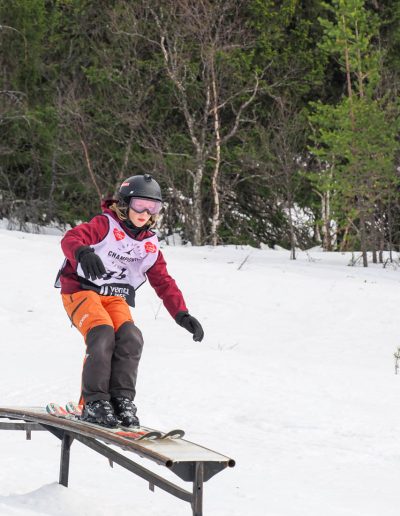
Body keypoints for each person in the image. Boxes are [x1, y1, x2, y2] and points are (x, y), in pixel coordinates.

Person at [56, 174, 204, 428]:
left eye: (153, 207)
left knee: (131, 337)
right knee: (102, 333)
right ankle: (94, 402)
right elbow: (70, 238)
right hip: (80, 290)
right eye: (140, 205)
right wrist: (83, 253)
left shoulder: (149, 245)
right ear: (124, 204)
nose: (146, 213)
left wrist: (182, 315)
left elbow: (164, 282)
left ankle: (120, 400)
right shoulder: (105, 225)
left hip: (114, 295)